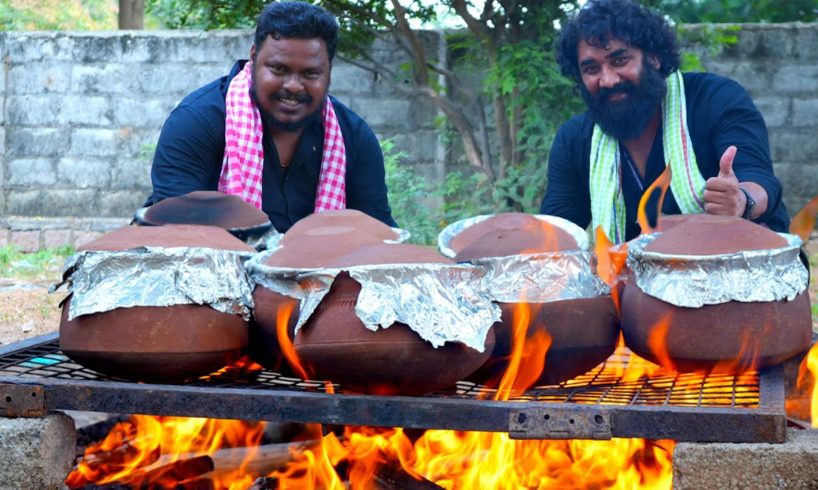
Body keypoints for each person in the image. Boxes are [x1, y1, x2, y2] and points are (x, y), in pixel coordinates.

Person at [539, 0, 789, 243]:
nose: (608, 80)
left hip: (743, 268)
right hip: (633, 278)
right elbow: (558, 231)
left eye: (619, 61)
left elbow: (759, 179)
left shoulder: (715, 99)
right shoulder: (576, 139)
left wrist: (742, 200)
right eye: (591, 69)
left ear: (653, 58)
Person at [147, 1, 396, 233]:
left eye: (310, 73)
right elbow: (177, 236)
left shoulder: (353, 136)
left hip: (318, 278)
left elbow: (376, 235)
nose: (293, 86)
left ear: (329, 73)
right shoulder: (197, 123)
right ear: (254, 57)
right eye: (278, 69)